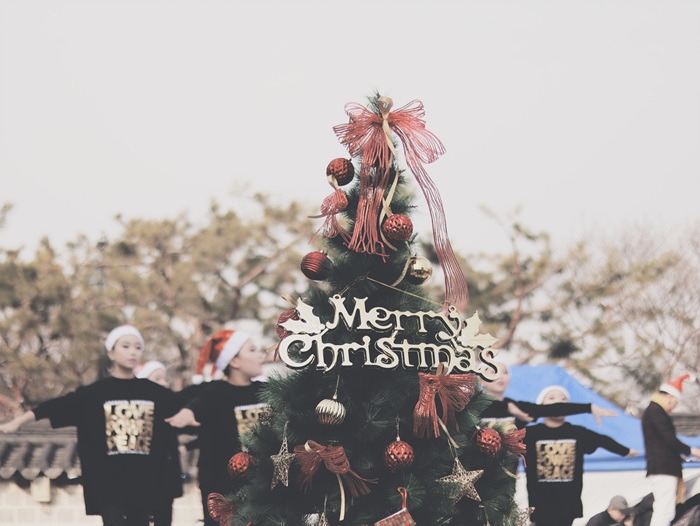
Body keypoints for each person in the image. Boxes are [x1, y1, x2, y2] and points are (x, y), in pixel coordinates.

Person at [0, 325, 182, 526]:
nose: (133, 352)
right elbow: (54, 407)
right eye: (126, 346)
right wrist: (18, 422)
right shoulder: (94, 394)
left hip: (144, 485)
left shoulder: (156, 394)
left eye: (137, 347)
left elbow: (186, 409)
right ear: (111, 352)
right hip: (110, 485)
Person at [166, 329, 267, 526]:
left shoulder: (265, 391)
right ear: (234, 361)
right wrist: (188, 412)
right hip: (223, 490)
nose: (260, 355)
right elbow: (199, 403)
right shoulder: (215, 392)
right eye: (252, 350)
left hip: (262, 487)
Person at [524, 385, 641, 526]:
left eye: (563, 400)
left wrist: (625, 451)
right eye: (551, 398)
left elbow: (602, 440)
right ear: (540, 405)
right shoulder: (529, 434)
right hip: (541, 505)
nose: (558, 403)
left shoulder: (577, 433)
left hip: (567, 505)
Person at [480, 361, 618, 429]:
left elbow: (552, 409)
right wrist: (506, 407)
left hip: (506, 473)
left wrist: (589, 407)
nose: (500, 376)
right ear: (480, 379)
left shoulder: (518, 408)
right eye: (493, 372)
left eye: (505, 372)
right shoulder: (473, 406)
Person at [641, 374, 700, 526]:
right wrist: (691, 451)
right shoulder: (656, 411)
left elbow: (663, 443)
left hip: (662, 467)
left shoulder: (653, 411)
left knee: (664, 509)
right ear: (669, 397)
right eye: (675, 402)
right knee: (664, 510)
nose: (674, 406)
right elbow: (669, 439)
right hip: (663, 468)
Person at [134, 360, 182, 526]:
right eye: (157, 379)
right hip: (141, 478)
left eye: (164, 379)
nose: (163, 383)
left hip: (165, 478)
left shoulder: (171, 410)